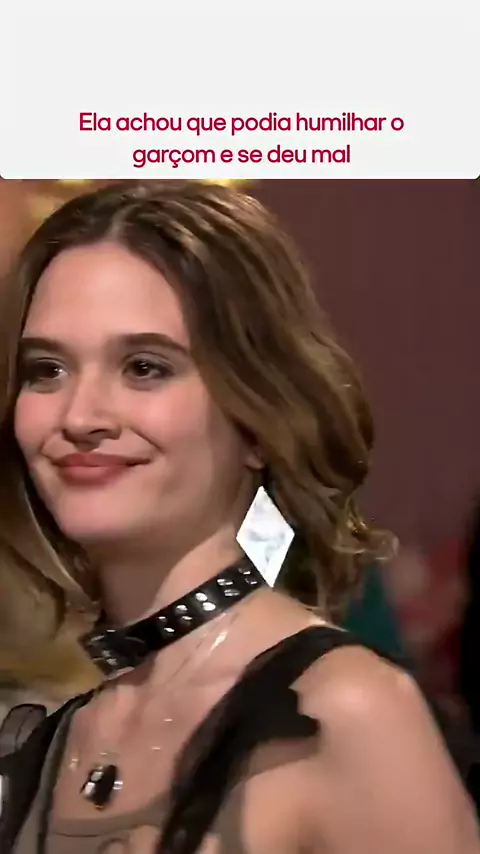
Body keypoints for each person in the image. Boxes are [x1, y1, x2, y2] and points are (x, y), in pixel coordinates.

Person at [0, 180, 477, 854]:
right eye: (47, 369)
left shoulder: (349, 713)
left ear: (258, 420)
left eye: (144, 367)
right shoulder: (47, 742)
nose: (79, 416)